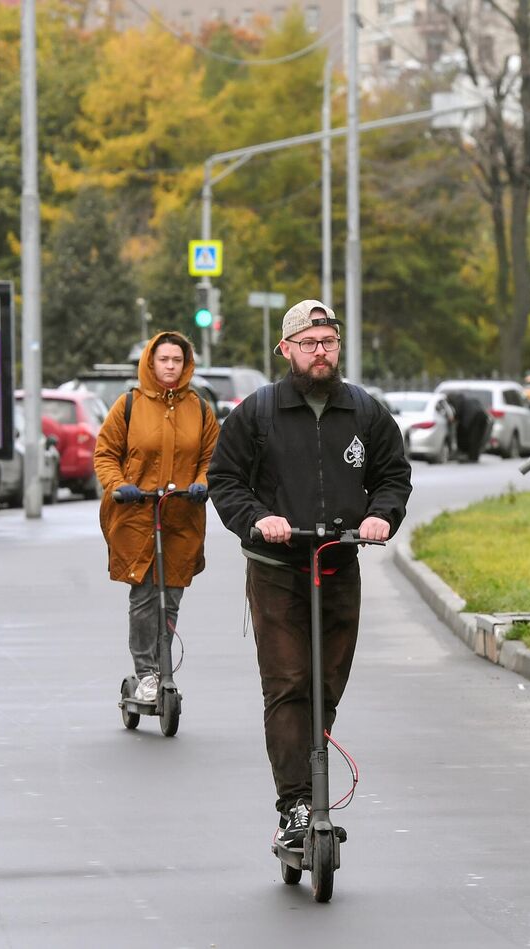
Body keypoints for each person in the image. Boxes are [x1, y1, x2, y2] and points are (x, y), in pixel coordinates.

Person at [207, 299, 412, 851]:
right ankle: (295, 805)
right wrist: (258, 520)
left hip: (339, 563)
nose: (320, 352)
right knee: (289, 683)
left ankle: (309, 773)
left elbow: (394, 473)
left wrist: (380, 514)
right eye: (309, 343)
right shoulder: (259, 412)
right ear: (287, 350)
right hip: (278, 570)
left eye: (328, 342)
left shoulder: (363, 411)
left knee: (326, 684)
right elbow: (225, 480)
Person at [94, 331, 220, 704]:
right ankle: (146, 673)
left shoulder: (199, 408)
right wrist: (119, 484)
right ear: (151, 362)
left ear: (186, 365)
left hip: (181, 514)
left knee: (173, 594)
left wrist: (201, 483)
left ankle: (164, 669)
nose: (169, 366)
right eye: (163, 360)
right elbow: (105, 453)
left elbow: (212, 458)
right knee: (145, 594)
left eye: (176, 361)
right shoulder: (129, 404)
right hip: (136, 513)